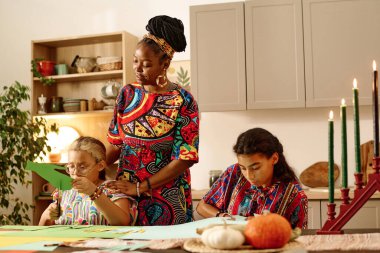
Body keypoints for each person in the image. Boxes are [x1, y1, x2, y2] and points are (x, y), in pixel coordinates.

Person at [105, 15, 199, 226]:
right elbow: (115, 145)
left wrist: (141, 187)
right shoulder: (127, 94)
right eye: (135, 61)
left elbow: (185, 158)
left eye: (146, 64)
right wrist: (87, 166)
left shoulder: (183, 100)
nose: (137, 69)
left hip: (166, 198)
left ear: (164, 64)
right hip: (125, 198)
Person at [196, 128, 308, 229]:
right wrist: (223, 216)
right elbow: (202, 206)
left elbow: (297, 238)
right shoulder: (234, 173)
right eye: (243, 168)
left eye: (255, 168)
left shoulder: (294, 195)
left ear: (274, 158)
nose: (249, 176)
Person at [39, 136, 137, 226]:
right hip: (66, 244)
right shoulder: (63, 192)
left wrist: (93, 191)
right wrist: (44, 217)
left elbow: (122, 223)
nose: (76, 172)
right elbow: (44, 230)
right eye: (71, 166)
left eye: (82, 167)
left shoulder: (112, 189)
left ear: (100, 166)